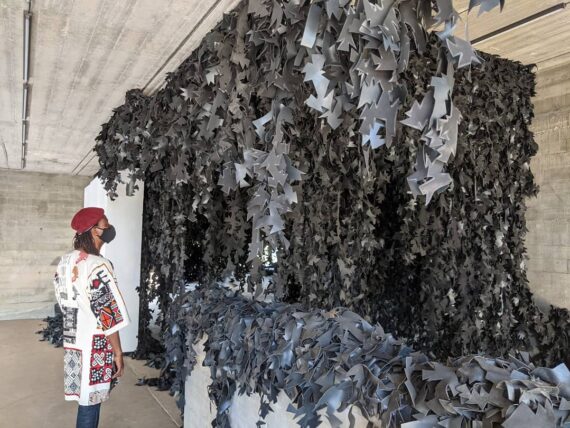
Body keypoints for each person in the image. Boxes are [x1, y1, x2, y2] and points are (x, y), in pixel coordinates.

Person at [54, 207, 130, 428]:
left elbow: (63, 301)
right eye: (106, 224)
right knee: (90, 402)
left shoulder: (64, 261)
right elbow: (108, 315)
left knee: (85, 398)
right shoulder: (97, 265)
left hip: (73, 341)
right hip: (95, 344)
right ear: (95, 231)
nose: (109, 228)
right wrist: (118, 352)